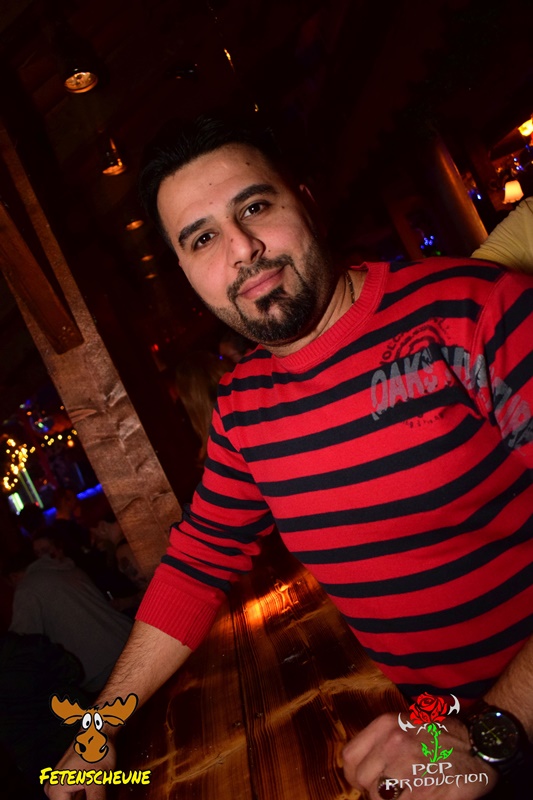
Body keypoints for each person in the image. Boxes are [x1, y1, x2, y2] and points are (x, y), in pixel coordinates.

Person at [46, 115, 533, 800]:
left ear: (304, 201)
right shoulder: (243, 406)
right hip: (438, 729)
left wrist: (496, 731)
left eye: (254, 207)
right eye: (202, 238)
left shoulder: (472, 308)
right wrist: (98, 730)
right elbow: (195, 566)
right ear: (186, 275)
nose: (242, 249)